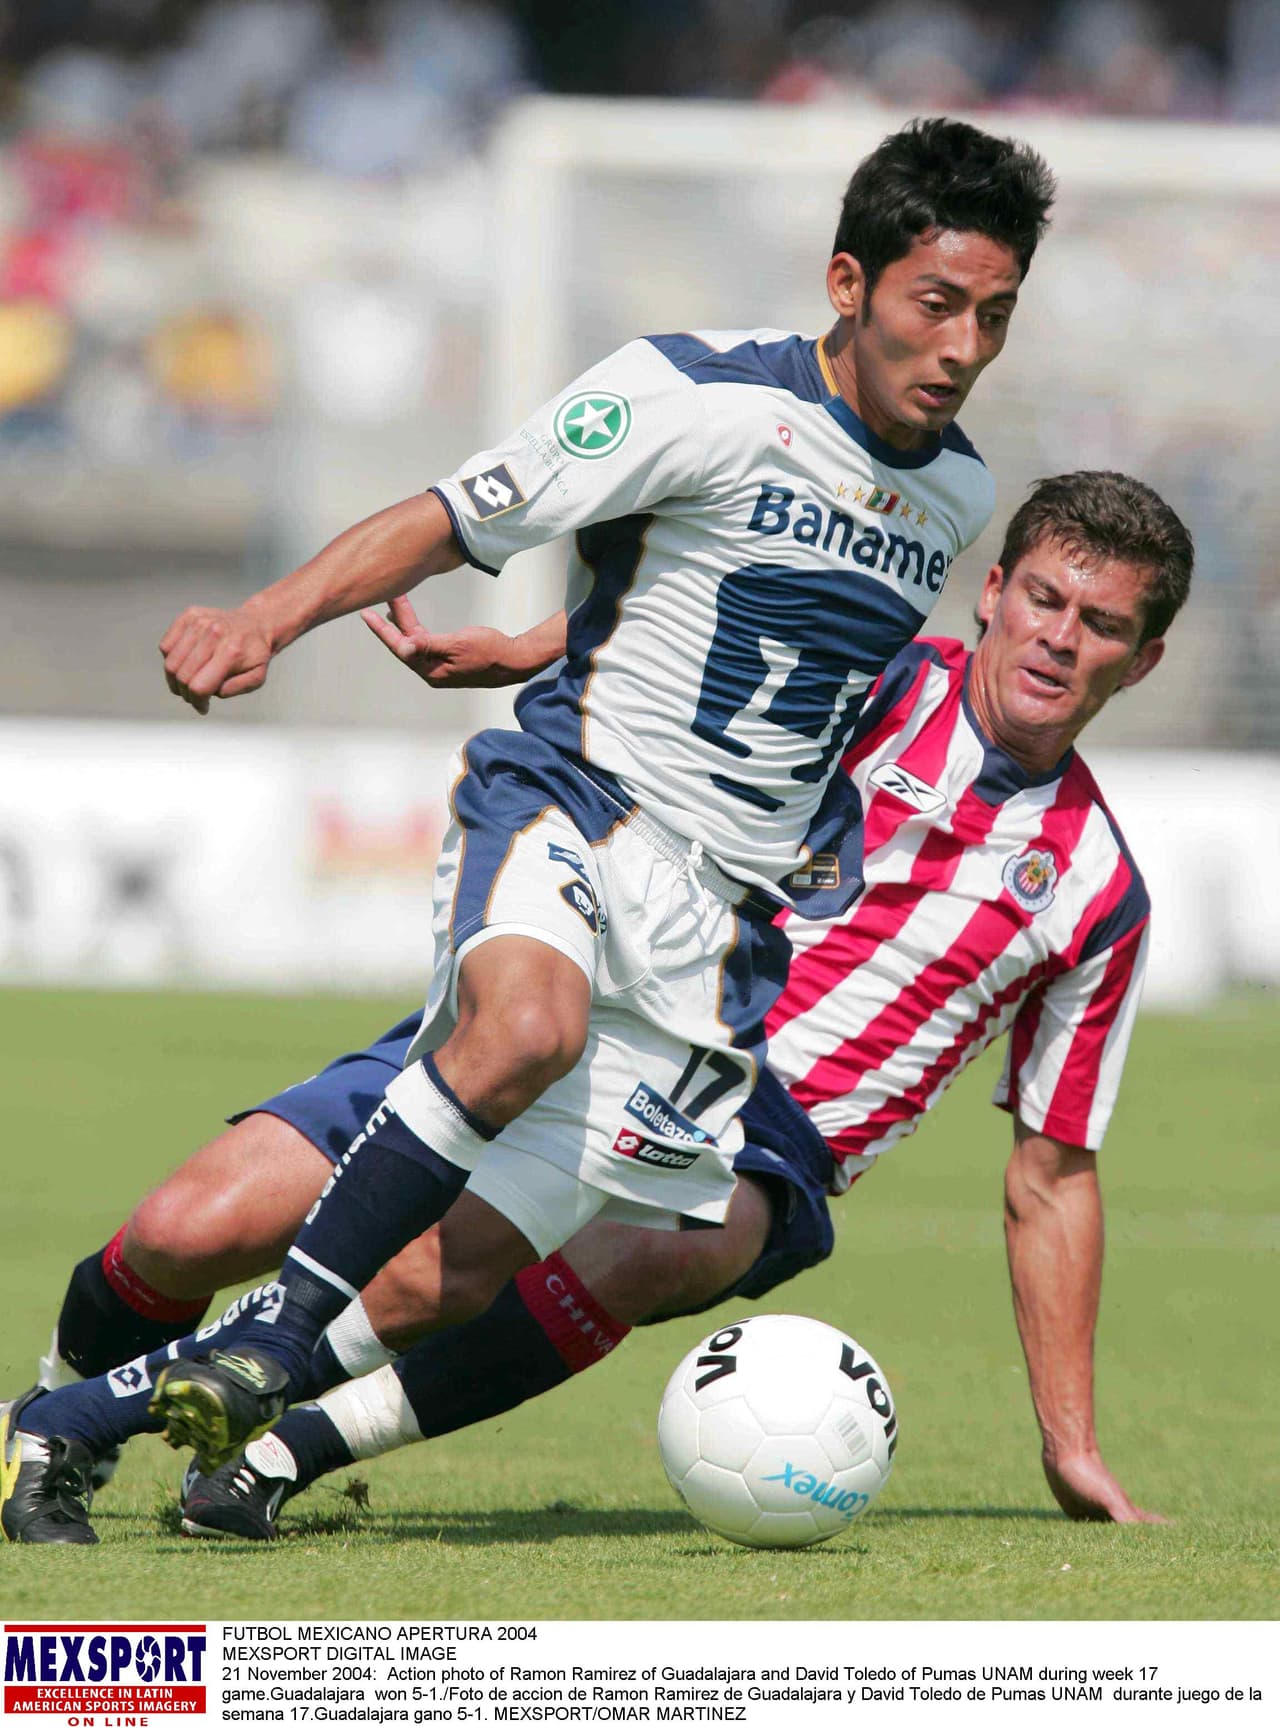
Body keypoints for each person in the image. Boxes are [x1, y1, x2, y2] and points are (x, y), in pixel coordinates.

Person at [2, 471, 1192, 1543]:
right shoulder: (866, 678)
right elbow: (690, 639)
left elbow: (1050, 1173)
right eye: (1043, 599)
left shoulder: (1095, 893)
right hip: (605, 985)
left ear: (1137, 661)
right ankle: (48, 1425)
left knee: (563, 1250)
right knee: (189, 1226)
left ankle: (278, 1450)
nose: (1057, 639)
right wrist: (527, 647)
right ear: (990, 592)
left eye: (1100, 626)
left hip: (760, 1131)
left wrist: (1067, 1437)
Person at [116, 117, 1054, 1475]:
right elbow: (458, 508)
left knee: (473, 1259)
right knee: (508, 1037)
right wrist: (269, 616)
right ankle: (259, 1344)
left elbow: (748, 606)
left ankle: (87, 1426)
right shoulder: (693, 392)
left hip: (698, 935)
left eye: (996, 316)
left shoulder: (956, 494)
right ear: (848, 285)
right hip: (576, 805)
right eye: (937, 305)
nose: (964, 348)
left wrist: (531, 639)